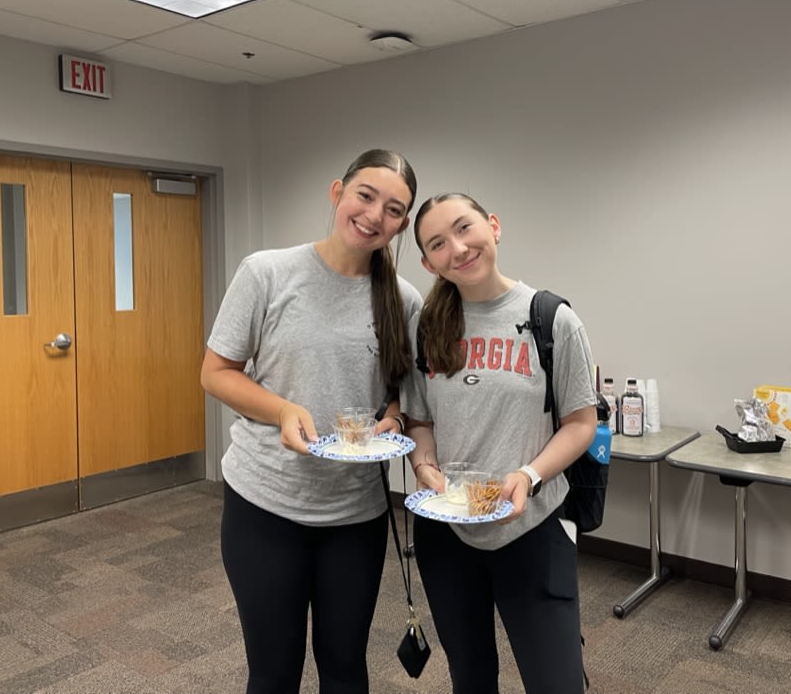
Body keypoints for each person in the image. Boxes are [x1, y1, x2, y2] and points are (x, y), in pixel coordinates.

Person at [200, 149, 421, 694]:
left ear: (403, 225)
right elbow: (216, 373)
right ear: (337, 192)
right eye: (365, 195)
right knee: (274, 672)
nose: (374, 215)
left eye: (393, 210)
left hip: (355, 514)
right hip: (266, 506)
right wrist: (282, 409)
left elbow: (401, 396)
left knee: (345, 669)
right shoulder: (268, 272)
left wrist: (392, 419)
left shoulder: (403, 299)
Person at [402, 192, 597, 694]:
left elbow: (580, 423)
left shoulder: (551, 319)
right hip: (447, 532)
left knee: (556, 683)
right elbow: (419, 419)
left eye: (465, 228)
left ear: (493, 226)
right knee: (470, 678)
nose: (458, 249)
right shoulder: (428, 327)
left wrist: (528, 477)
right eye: (439, 244)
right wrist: (424, 467)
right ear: (428, 262)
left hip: (530, 527)